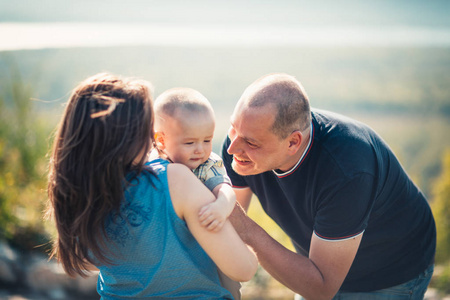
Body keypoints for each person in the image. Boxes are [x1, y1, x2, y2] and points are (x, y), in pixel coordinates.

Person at [221, 73, 436, 300]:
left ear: (293, 142)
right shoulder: (240, 144)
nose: (232, 148)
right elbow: (228, 226)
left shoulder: (347, 169)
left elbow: (320, 289)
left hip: (389, 274)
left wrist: (247, 229)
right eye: (233, 129)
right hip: (318, 268)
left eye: (252, 142)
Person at [46, 73, 257, 299]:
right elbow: (243, 269)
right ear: (133, 136)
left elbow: (93, 262)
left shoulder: (79, 197)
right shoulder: (175, 179)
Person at [152, 87, 242, 299]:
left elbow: (227, 190)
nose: (200, 149)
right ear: (162, 140)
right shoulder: (154, 165)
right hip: (173, 248)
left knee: (229, 283)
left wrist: (221, 206)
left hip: (209, 241)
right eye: (190, 142)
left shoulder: (207, 165)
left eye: (207, 140)